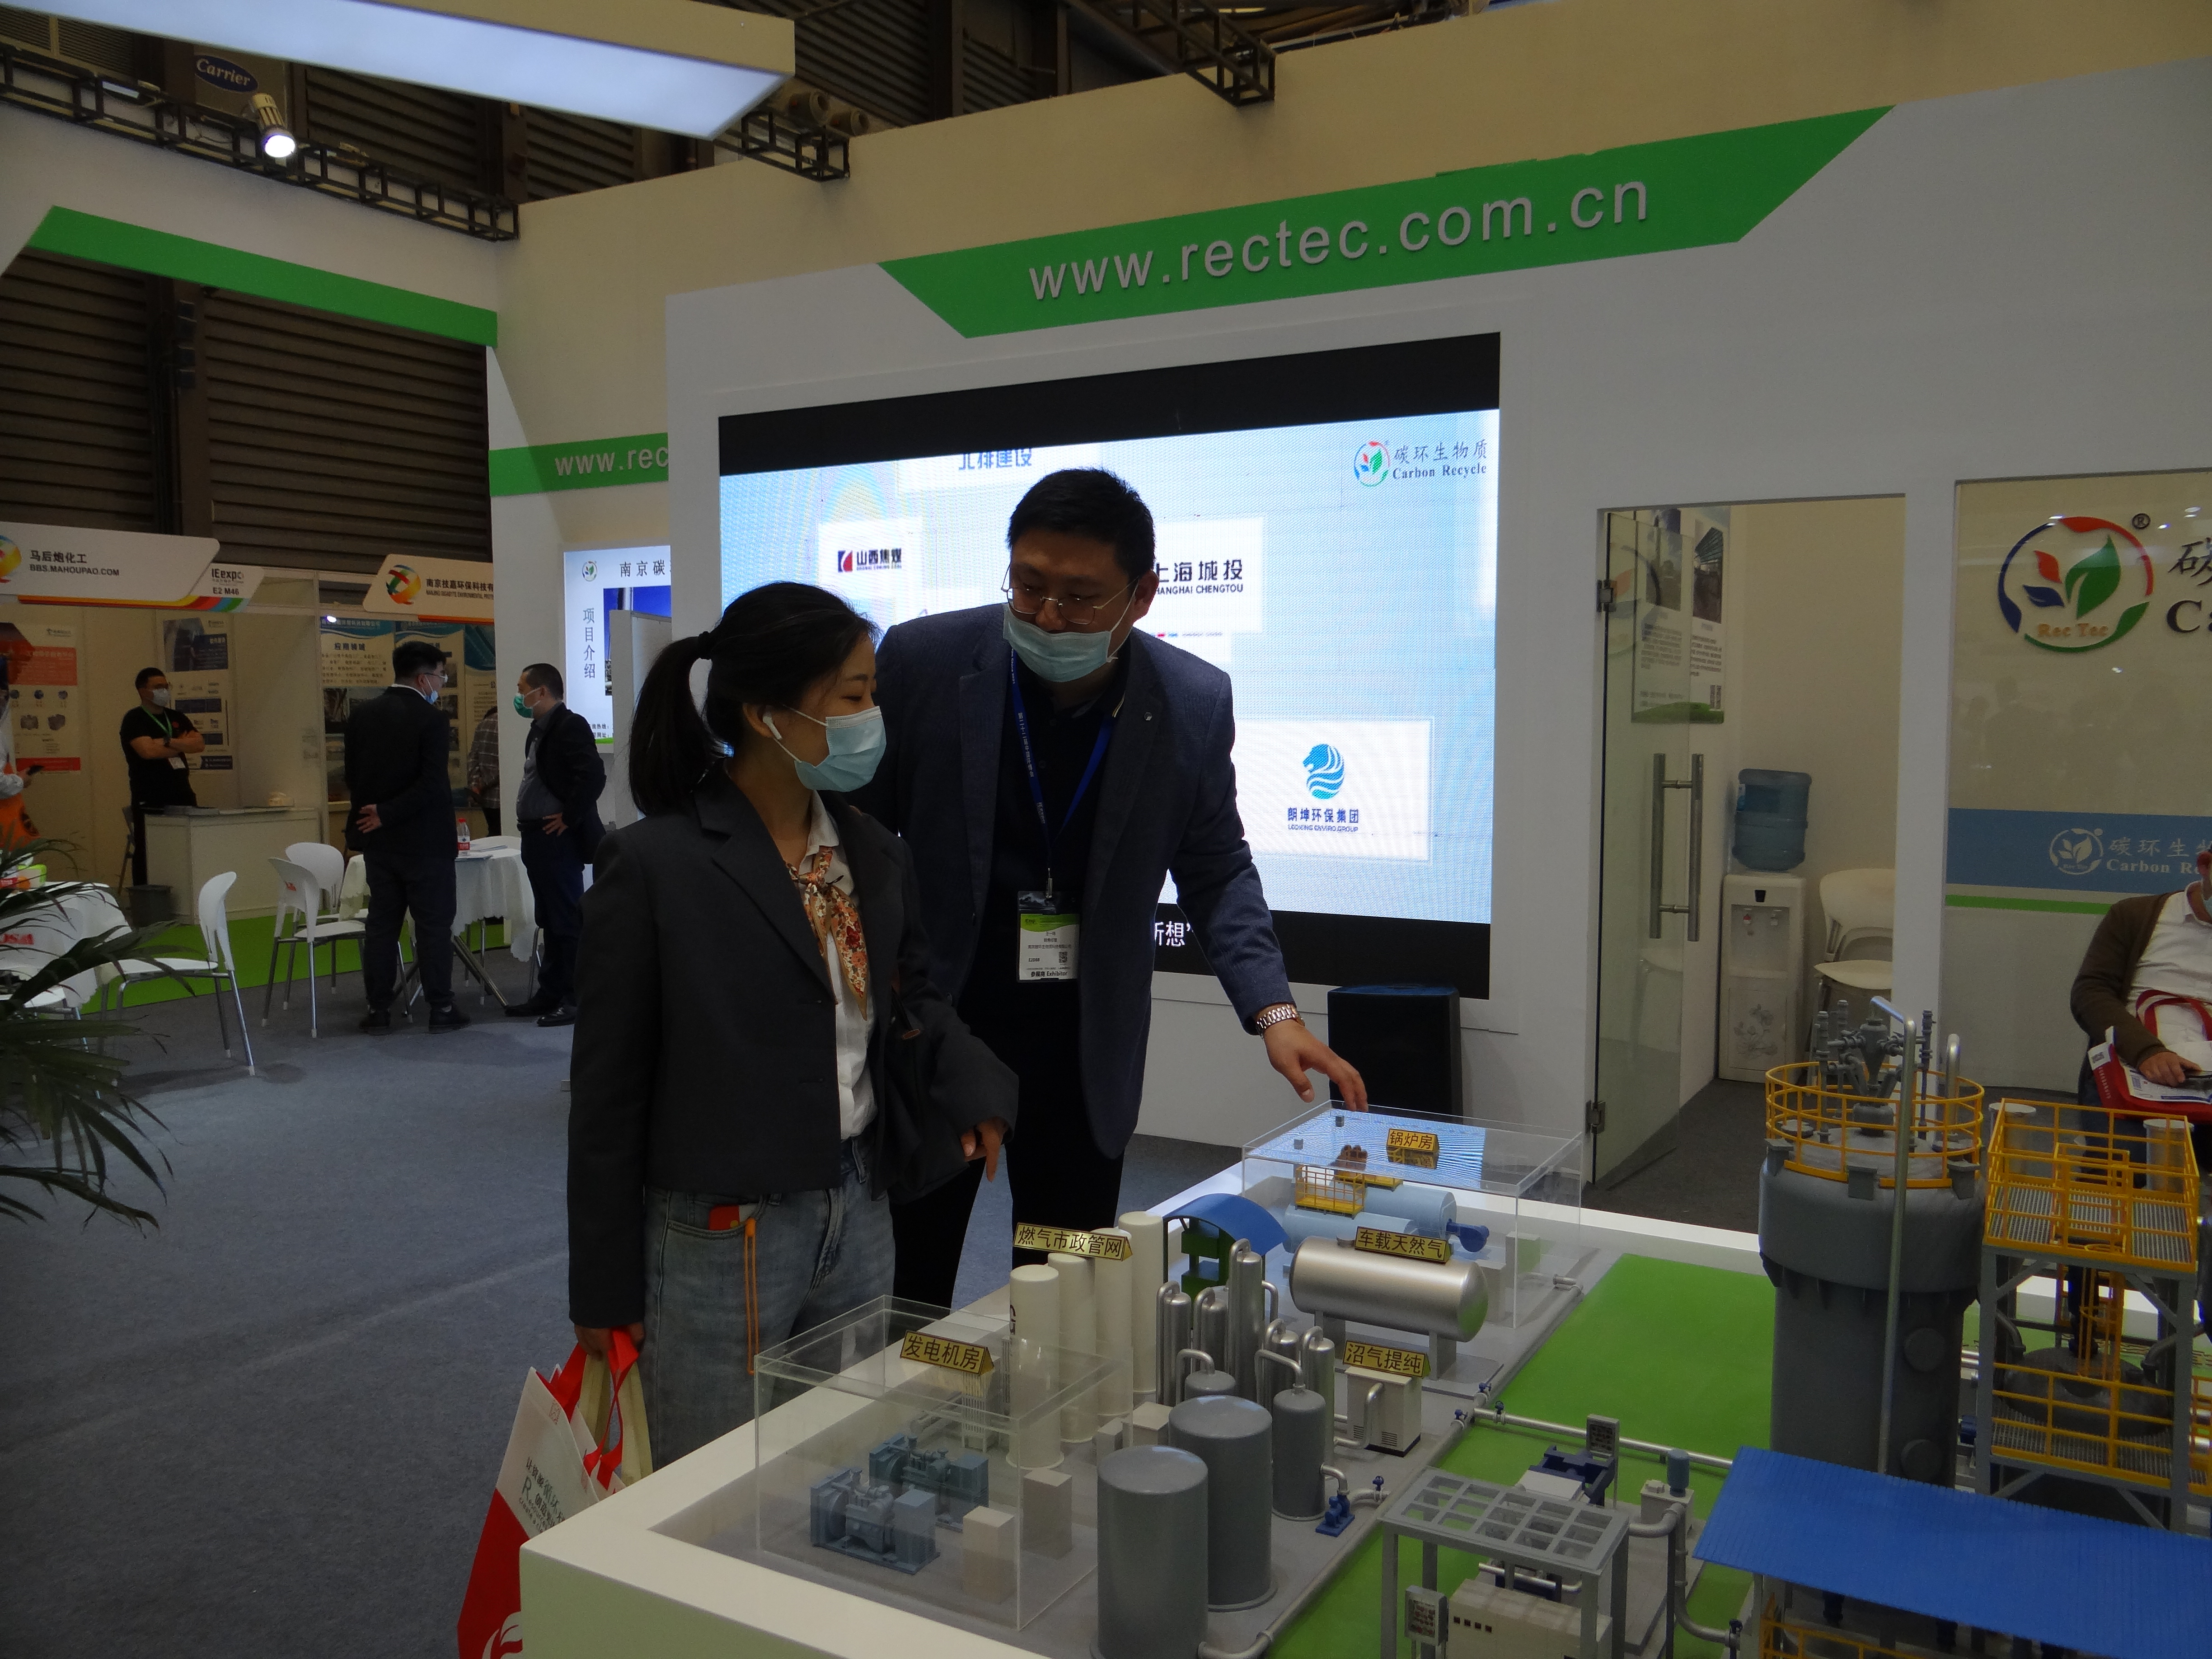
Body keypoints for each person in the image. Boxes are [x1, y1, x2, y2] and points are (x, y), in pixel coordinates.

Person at [852, 467, 1367, 1308]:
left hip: (1081, 1044)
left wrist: (1275, 1012)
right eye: (1029, 586)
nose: (1049, 616)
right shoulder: (925, 661)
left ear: (1142, 596)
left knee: (1065, 1290)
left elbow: (1216, 867)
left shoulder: (1191, 701)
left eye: (1081, 598)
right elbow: (858, 836)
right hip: (939, 1029)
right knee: (909, 1287)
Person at [567, 581, 1015, 1463]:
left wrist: (975, 1086)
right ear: (766, 713)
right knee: (711, 1481)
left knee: (841, 1460)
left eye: (872, 692)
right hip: (722, 1228)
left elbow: (913, 995)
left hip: (860, 1203)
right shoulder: (656, 864)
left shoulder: (871, 852)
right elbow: (608, 1090)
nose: (872, 717)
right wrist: (602, 1284)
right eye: (852, 696)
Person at [344, 640, 469, 1035]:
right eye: (441, 676)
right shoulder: (432, 720)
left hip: (378, 842)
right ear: (423, 678)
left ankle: (379, 1010)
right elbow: (432, 784)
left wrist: (377, 815)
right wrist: (390, 812)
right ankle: (441, 1007)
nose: (442, 683)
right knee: (433, 928)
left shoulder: (361, 716)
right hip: (425, 843)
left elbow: (353, 777)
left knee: (382, 927)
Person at [2069, 845, 2212, 1167]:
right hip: (2134, 1065)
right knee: (2132, 1161)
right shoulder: (2135, 916)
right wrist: (2147, 1051)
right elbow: (2091, 992)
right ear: (2205, 865)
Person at [506, 663, 605, 1026]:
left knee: (565, 919)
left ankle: (575, 999)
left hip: (557, 838)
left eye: (523, 689)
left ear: (542, 692)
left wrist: (569, 816)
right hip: (536, 836)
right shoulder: (539, 730)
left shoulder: (569, 725)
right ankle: (551, 992)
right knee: (549, 918)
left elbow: (593, 775)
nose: (519, 696)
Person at [119, 667, 202, 883]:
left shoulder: (176, 717)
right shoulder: (135, 719)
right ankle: (147, 897)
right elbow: (147, 752)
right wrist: (181, 744)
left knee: (186, 849)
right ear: (143, 691)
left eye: (166, 686)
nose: (164, 691)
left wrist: (166, 742)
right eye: (158, 687)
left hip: (182, 794)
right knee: (150, 852)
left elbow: (198, 744)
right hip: (151, 797)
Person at [466, 703, 501, 837]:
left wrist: (476, 786)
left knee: (493, 832)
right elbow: (506, 766)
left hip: (485, 797)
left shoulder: (483, 724)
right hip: (504, 796)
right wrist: (484, 784)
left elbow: (473, 758)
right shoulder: (508, 725)